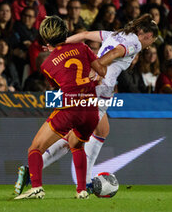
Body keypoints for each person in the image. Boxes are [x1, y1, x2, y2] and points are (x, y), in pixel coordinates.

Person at [15, 14, 159, 195]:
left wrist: (59, 45)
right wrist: (98, 67)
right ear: (146, 35)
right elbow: (114, 53)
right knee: (74, 139)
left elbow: (84, 34)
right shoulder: (135, 43)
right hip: (100, 88)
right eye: (151, 41)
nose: (149, 45)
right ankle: (38, 171)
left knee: (101, 130)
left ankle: (42, 170)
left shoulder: (114, 35)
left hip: (89, 86)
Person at [15, 15, 109, 200]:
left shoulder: (46, 64)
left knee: (35, 148)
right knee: (77, 145)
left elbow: (58, 85)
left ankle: (36, 188)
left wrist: (53, 52)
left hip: (70, 108)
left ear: (45, 40)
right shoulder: (82, 47)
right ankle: (81, 190)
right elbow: (103, 72)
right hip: (91, 110)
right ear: (66, 32)